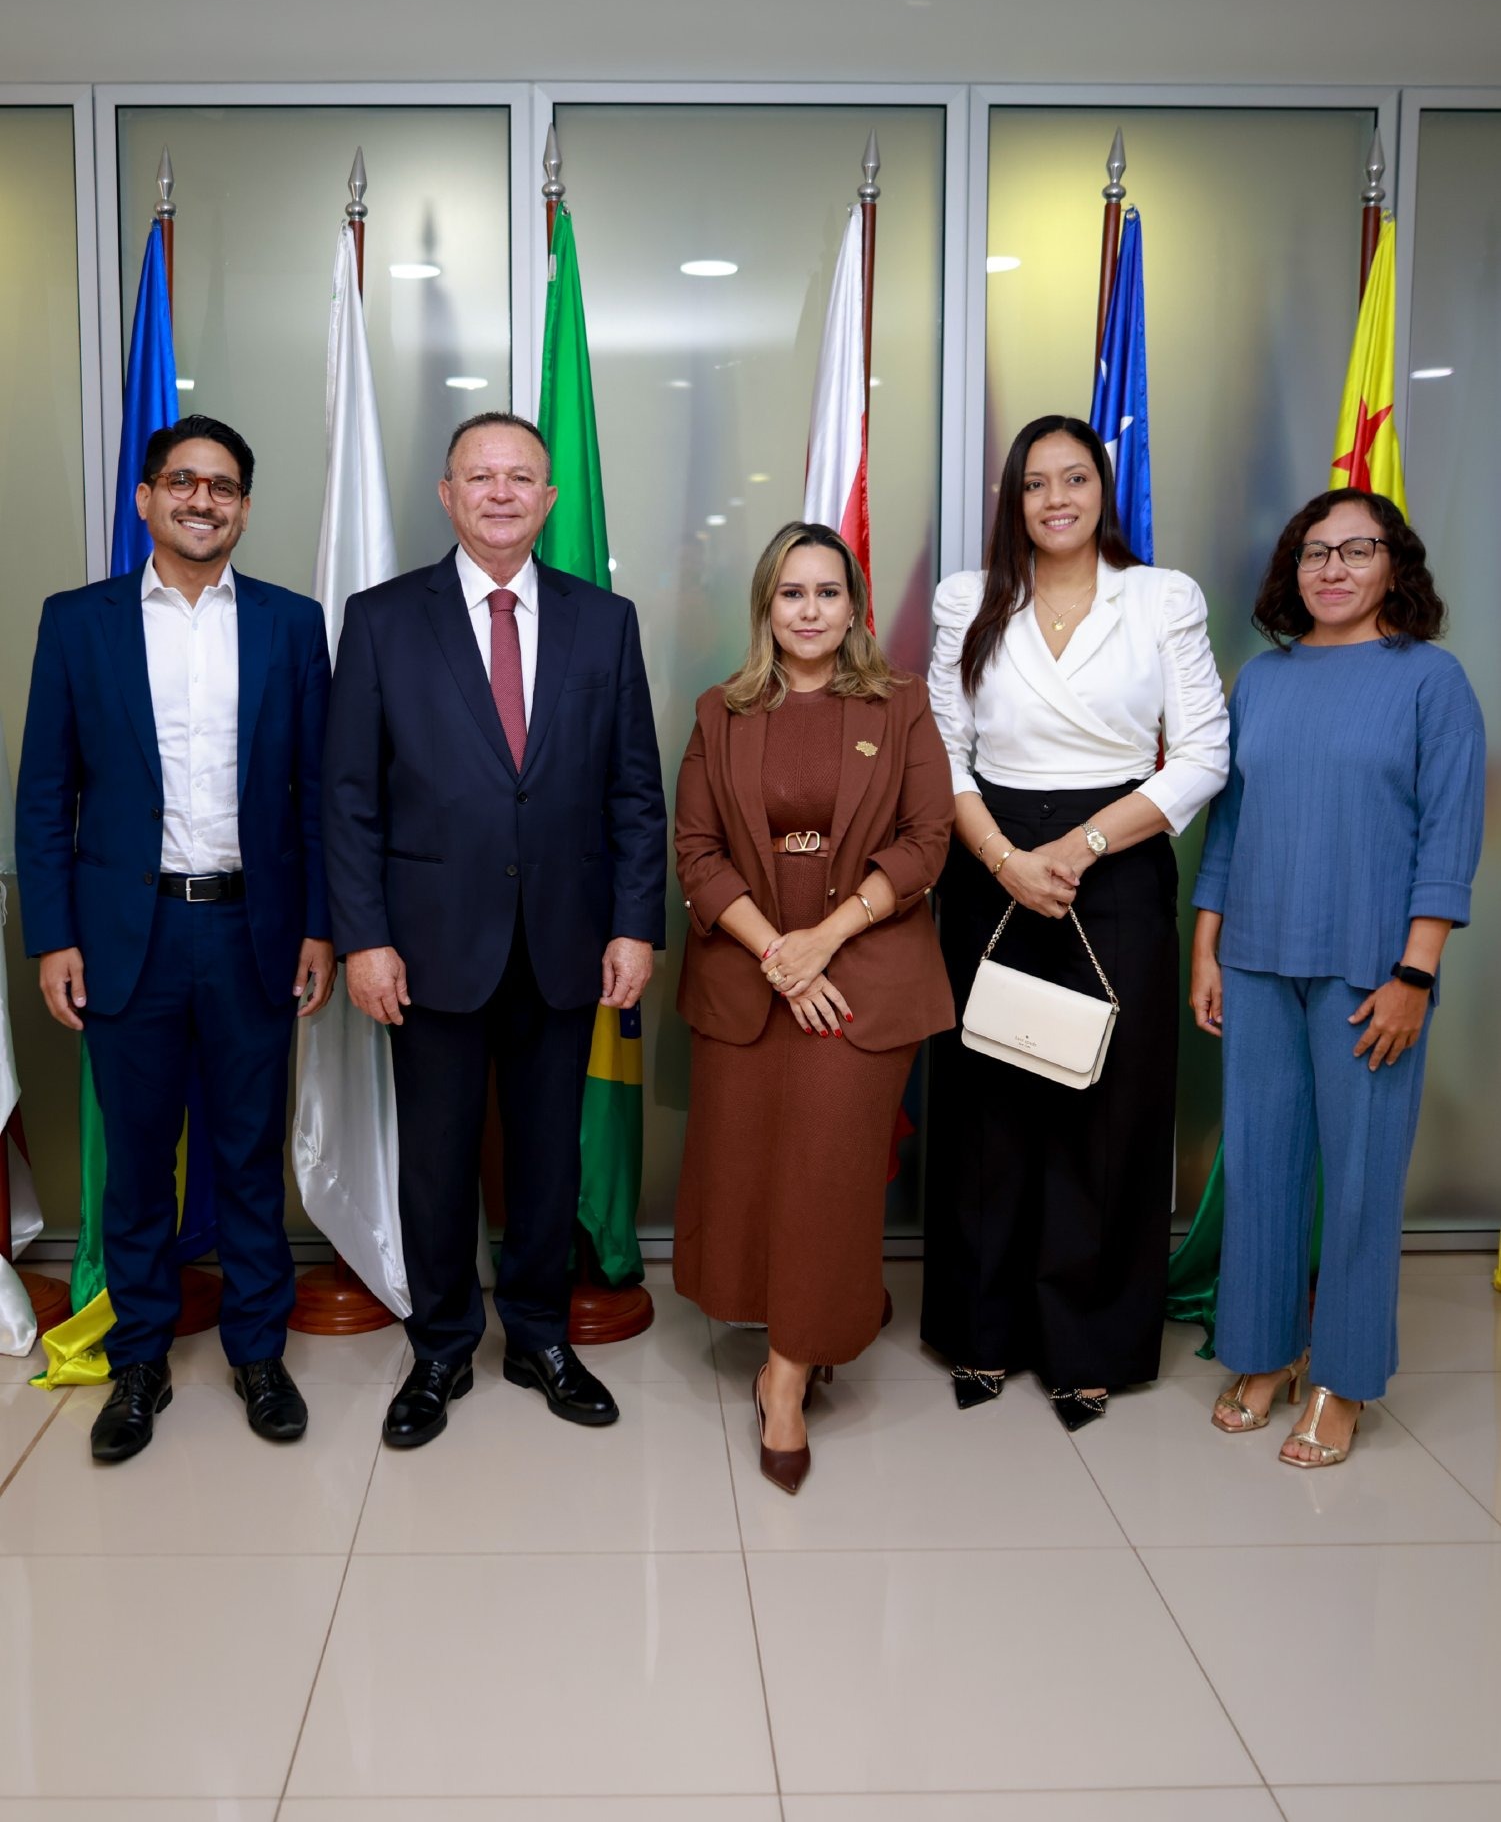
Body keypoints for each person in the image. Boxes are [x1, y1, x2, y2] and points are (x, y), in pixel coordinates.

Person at [322, 412, 666, 1449]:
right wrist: (363, 938)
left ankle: (538, 1336)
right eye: (481, 477)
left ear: (550, 499)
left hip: (566, 940)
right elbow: (348, 797)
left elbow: (634, 792)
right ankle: (438, 1347)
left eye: (522, 477)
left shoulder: (604, 621)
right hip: (426, 946)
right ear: (447, 494)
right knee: (436, 1159)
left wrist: (635, 925)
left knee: (547, 1156)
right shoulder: (382, 620)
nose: (502, 493)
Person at [16, 415, 334, 1462]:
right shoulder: (79, 623)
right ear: (146, 498)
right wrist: (55, 935)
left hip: (253, 928)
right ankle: (140, 1358)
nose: (204, 501)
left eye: (225, 487)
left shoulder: (292, 625)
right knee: (139, 1161)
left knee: (247, 1156)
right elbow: (45, 792)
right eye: (184, 482)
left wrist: (321, 927)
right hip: (127, 933)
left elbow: (318, 794)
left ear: (244, 507)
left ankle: (257, 1352)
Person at [922, 415, 1229, 1429]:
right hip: (990, 858)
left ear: (1103, 489)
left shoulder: (1160, 596)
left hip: (1117, 858)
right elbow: (943, 752)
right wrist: (1006, 861)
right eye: (1034, 483)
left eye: (1075, 479)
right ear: (1013, 499)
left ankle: (1087, 1344)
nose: (1055, 499)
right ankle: (981, 1330)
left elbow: (1202, 754)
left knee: (1108, 1107)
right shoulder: (967, 597)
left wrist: (1082, 847)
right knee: (988, 1101)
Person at [1192, 489, 1484, 1467]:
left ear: (1394, 566)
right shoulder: (1261, 681)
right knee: (1261, 1168)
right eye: (1314, 551)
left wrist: (1415, 973)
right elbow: (1228, 827)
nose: (1331, 568)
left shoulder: (1430, 680)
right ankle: (1263, 1351)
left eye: (1356, 550)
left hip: (1372, 971)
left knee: (1357, 1183)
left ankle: (1343, 1379)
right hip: (1255, 958)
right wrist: (1206, 947)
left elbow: (1448, 836)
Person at [673, 521, 954, 1493]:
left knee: (829, 1172)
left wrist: (820, 943)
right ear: (766, 605)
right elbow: (696, 850)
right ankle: (812, 1314)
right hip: (747, 970)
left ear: (854, 606)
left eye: (827, 592)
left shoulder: (901, 705)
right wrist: (776, 953)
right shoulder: (720, 711)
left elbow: (925, 841)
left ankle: (785, 1378)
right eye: (790, 592)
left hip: (863, 969)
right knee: (752, 1170)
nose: (809, 610)